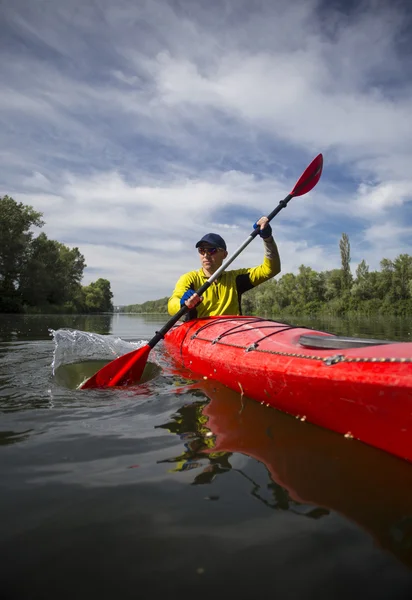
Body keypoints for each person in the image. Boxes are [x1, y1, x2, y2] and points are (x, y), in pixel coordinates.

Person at [167, 217, 281, 319]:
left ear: (224, 254)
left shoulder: (236, 278)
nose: (206, 255)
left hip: (231, 332)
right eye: (202, 250)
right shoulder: (189, 278)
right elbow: (172, 305)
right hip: (199, 333)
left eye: (212, 250)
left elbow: (270, 270)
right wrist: (182, 304)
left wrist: (268, 239)